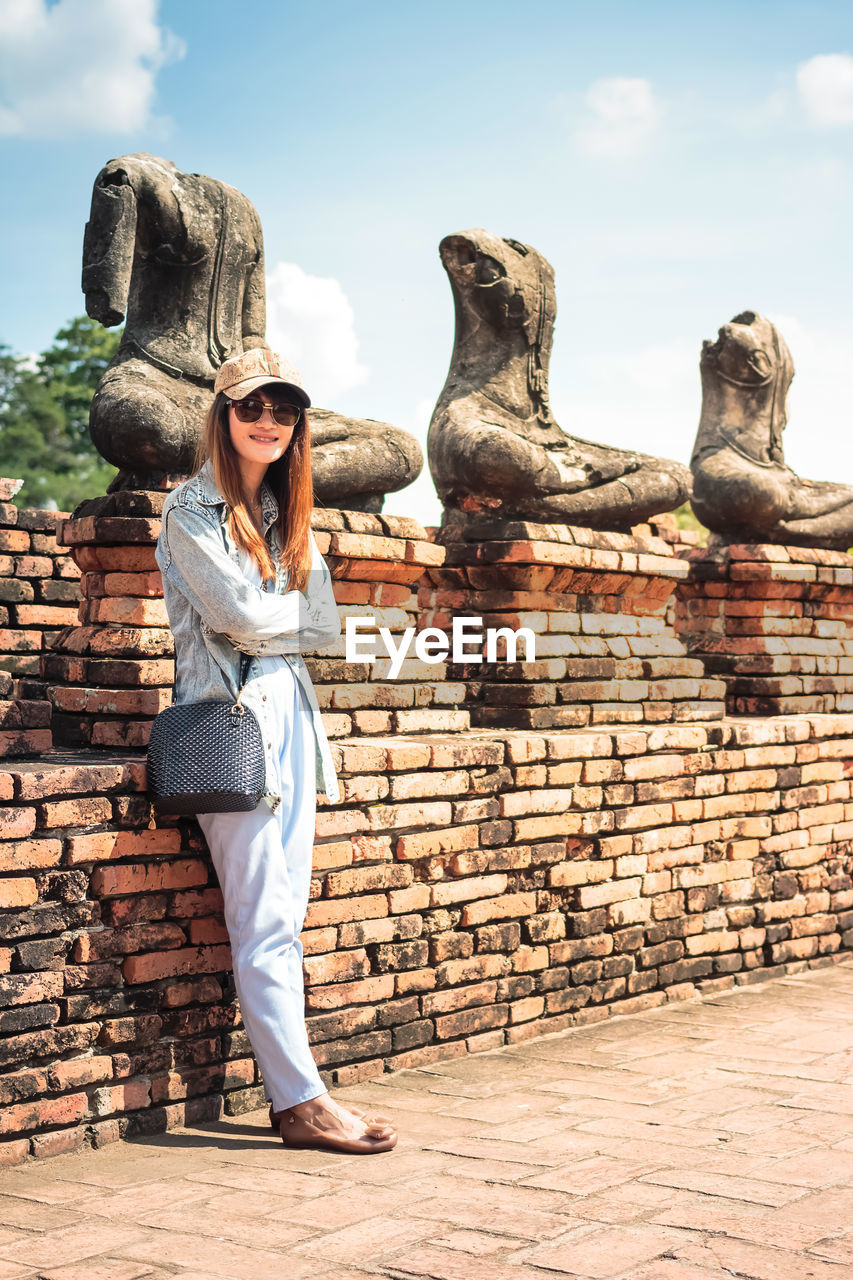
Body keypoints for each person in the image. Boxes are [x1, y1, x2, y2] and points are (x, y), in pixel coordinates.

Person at [154, 346, 398, 1155]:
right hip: (227, 725)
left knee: (285, 916)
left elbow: (322, 626)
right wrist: (283, 609)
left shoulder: (285, 517)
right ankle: (300, 1102)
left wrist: (281, 612)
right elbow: (237, 618)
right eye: (252, 408)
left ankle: (301, 1093)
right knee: (260, 917)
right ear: (222, 416)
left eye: (284, 412)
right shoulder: (191, 511)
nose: (268, 423)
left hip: (291, 716)